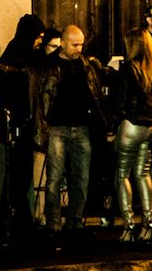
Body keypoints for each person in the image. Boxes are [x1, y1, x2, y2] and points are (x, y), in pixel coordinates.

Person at [0, 13, 45, 237]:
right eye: (37, 37)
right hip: (16, 122)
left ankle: (17, 221)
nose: (39, 42)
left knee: (20, 173)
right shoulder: (18, 54)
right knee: (18, 173)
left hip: (19, 121)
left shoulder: (22, 54)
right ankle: (11, 221)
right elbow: (21, 76)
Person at [34, 24, 108, 233]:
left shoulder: (85, 64)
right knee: (55, 179)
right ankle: (55, 223)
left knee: (80, 179)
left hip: (80, 127)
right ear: (63, 43)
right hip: (59, 127)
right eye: (75, 45)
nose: (79, 49)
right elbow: (28, 76)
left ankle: (74, 221)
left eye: (81, 45)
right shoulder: (50, 65)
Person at [110, 27, 152, 243]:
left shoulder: (128, 69)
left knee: (122, 174)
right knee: (144, 173)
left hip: (132, 124)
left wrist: (113, 125)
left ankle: (128, 226)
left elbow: (121, 101)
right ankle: (149, 224)